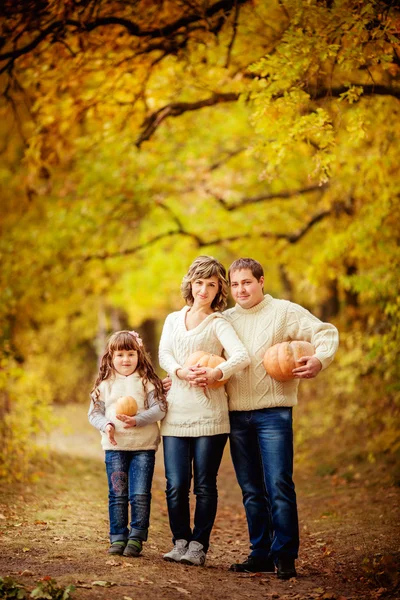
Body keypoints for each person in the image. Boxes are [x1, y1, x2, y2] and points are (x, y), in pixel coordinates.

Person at [220, 258, 339, 579]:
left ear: (261, 281)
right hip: (236, 415)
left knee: (279, 484)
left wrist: (319, 359)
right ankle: (260, 552)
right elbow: (197, 353)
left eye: (247, 282)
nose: (241, 289)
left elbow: (324, 332)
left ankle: (284, 555)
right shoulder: (224, 320)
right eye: (234, 284)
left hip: (274, 412)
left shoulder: (283, 311)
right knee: (250, 488)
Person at [158, 255, 250, 567]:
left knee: (204, 485)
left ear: (219, 289)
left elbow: (240, 356)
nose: (204, 290)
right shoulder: (173, 320)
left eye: (211, 284)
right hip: (175, 414)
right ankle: (180, 540)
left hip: (211, 416)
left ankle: (198, 545)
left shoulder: (218, 322)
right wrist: (180, 372)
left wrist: (216, 373)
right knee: (176, 484)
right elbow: (164, 353)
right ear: (190, 284)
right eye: (199, 283)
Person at [88, 330, 167, 557]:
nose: (126, 360)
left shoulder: (147, 382)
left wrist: (137, 420)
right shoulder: (104, 384)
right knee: (117, 493)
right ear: (111, 357)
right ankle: (118, 536)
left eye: (131, 354)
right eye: (120, 354)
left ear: (139, 355)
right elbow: (94, 414)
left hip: (143, 447)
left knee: (140, 495)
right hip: (115, 448)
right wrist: (107, 425)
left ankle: (136, 537)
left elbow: (160, 409)